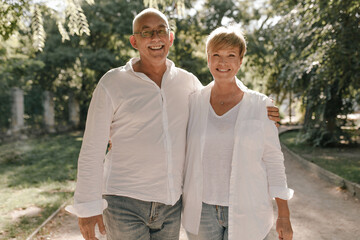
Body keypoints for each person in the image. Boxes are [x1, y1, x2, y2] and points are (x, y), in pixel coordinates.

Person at [65, 8, 281, 240]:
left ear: (170, 38)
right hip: (123, 201)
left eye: (161, 31)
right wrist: (88, 206)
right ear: (134, 41)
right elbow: (92, 148)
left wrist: (259, 110)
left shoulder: (189, 83)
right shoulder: (112, 83)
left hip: (171, 205)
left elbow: (221, 100)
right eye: (146, 33)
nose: (155, 38)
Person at [182, 27, 294, 240]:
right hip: (201, 211)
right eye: (216, 55)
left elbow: (273, 160)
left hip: (248, 207)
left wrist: (284, 214)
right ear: (208, 58)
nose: (222, 62)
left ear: (241, 60)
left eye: (231, 55)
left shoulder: (261, 105)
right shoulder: (193, 101)